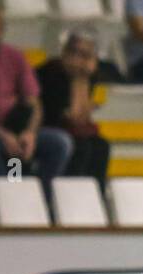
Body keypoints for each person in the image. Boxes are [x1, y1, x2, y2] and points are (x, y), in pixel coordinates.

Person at [0, 7, 72, 219]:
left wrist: (30, 133)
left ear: (2, 30)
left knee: (60, 142)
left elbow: (34, 103)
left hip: (15, 130)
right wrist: (3, 135)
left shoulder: (15, 57)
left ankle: (38, 204)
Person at [36, 31, 111, 188]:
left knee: (101, 146)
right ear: (65, 52)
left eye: (86, 56)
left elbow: (82, 120)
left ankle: (96, 197)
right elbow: (71, 117)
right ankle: (68, 195)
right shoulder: (50, 72)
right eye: (75, 53)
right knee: (80, 147)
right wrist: (78, 79)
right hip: (44, 127)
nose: (79, 60)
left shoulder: (88, 76)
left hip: (67, 128)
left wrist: (83, 78)